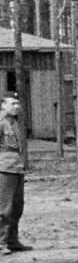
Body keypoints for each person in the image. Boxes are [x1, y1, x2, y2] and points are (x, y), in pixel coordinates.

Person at [0, 92, 30, 253]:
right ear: (3, 105)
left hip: (16, 168)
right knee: (4, 208)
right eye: (13, 103)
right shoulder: (1, 122)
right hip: (4, 169)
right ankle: (1, 242)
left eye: (18, 103)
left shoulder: (14, 122)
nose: (17, 106)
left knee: (17, 207)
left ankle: (12, 240)